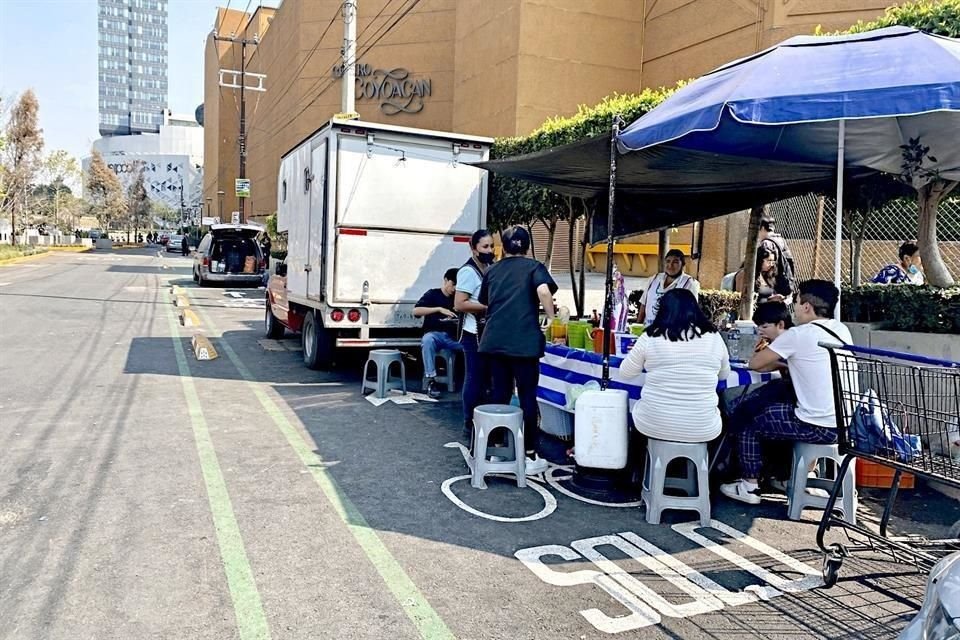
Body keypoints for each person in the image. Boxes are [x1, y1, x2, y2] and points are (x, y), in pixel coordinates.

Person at [720, 279, 853, 505]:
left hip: (814, 426)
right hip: (844, 425)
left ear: (807, 307)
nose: (795, 309)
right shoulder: (841, 330)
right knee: (774, 406)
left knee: (747, 416)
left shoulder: (798, 334)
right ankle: (790, 477)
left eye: (797, 303)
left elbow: (754, 363)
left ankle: (749, 486)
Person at [479, 226, 557, 475]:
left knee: (499, 395)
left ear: (504, 246)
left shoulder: (492, 270)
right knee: (527, 397)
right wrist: (552, 318)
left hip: (495, 341)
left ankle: (498, 449)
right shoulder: (534, 267)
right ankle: (530, 454)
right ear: (528, 246)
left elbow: (485, 301)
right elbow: (543, 291)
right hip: (524, 344)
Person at [620, 288, 730, 444]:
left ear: (662, 310)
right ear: (695, 309)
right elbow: (724, 375)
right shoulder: (714, 336)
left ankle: (642, 467)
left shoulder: (650, 336)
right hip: (703, 428)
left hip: (653, 425)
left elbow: (626, 373)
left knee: (639, 412)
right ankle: (704, 467)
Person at [454, 229, 495, 439]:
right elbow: (459, 304)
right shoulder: (468, 272)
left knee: (488, 379)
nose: (489, 250)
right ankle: (468, 421)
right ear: (473, 248)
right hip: (473, 334)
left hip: (488, 333)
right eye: (485, 247)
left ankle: (484, 420)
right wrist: (487, 307)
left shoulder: (488, 268)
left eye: (491, 246)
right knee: (474, 378)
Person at [414, 268, 463, 399]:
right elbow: (416, 311)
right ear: (446, 280)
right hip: (435, 335)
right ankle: (431, 380)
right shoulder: (432, 294)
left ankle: (478, 381)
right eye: (453, 284)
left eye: (458, 286)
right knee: (427, 340)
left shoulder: (458, 298)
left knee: (474, 346)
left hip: (454, 338)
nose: (454, 288)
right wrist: (439, 309)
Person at [637, 249, 700, 326]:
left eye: (675, 262)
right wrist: (638, 325)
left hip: (672, 334)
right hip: (648, 331)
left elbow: (691, 312)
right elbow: (643, 305)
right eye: (668, 261)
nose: (670, 265)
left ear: (683, 265)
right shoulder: (654, 279)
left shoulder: (690, 284)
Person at [758, 216, 798, 296]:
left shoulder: (766, 244)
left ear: (762, 228)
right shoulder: (781, 240)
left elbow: (764, 266)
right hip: (785, 284)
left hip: (772, 288)